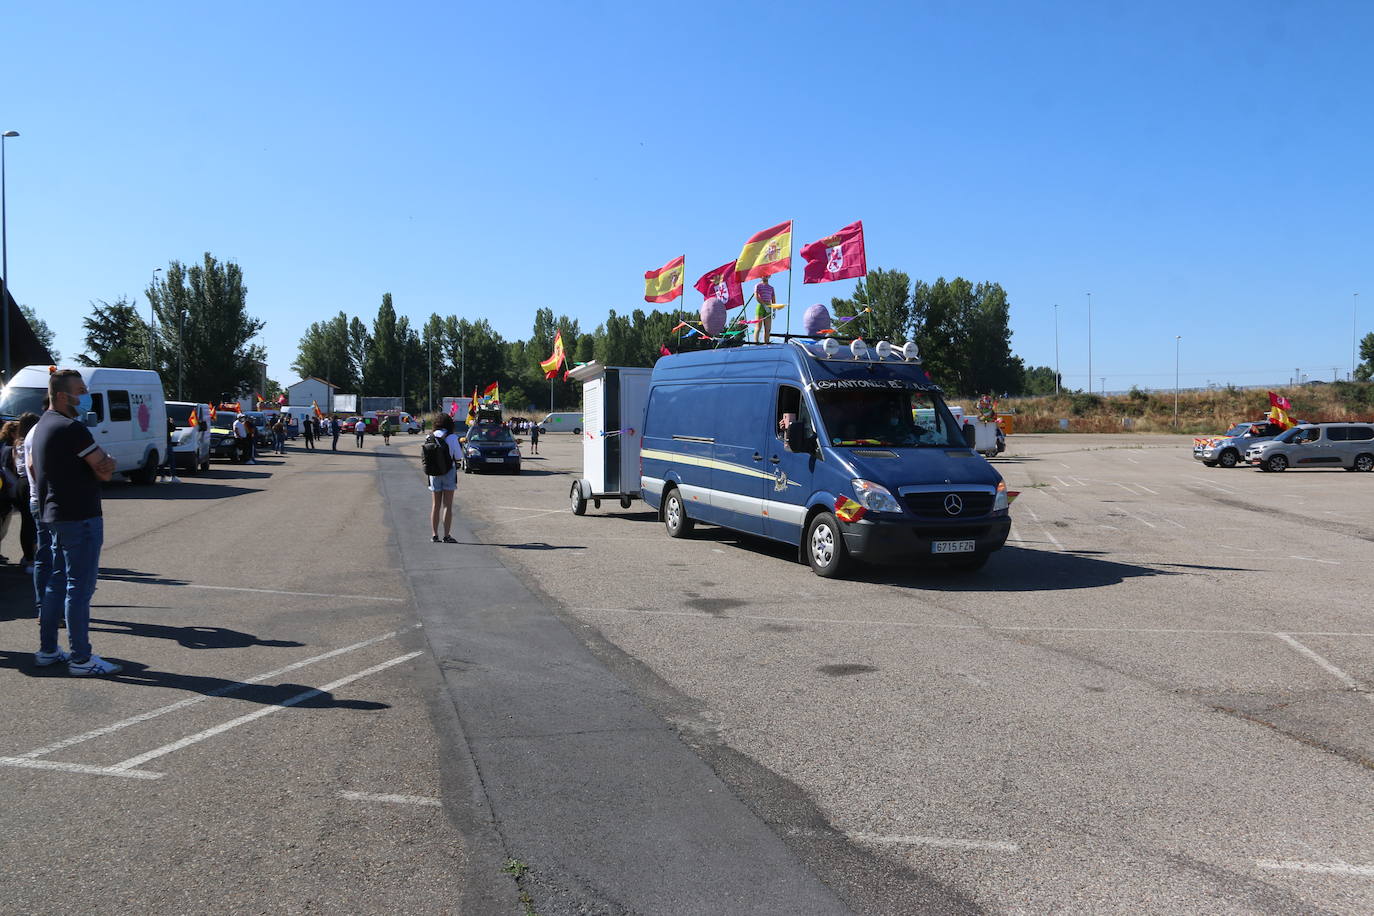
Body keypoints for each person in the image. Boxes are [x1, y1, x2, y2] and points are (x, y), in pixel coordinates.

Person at [31, 369, 122, 676]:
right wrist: (106, 463)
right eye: (80, 391)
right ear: (61, 395)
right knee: (79, 588)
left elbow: (31, 466)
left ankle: (47, 650)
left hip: (55, 515)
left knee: (56, 584)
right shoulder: (72, 428)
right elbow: (105, 468)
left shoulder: (43, 424)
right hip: (80, 515)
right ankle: (81, 658)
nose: (85, 396)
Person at [12, 412, 40, 574]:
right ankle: (30, 559)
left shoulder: (18, 442)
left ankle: (27, 557)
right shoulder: (32, 441)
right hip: (29, 483)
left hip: (20, 482)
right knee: (32, 524)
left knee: (26, 523)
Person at [427, 413, 462, 543]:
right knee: (447, 505)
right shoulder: (452, 437)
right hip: (449, 471)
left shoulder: (430, 436)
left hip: (433, 472)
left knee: (435, 505)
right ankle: (446, 535)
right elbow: (458, 456)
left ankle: (434, 535)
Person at [753, 278, 776, 342]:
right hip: (761, 306)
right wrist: (764, 305)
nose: (765, 276)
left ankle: (766, 343)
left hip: (769, 306)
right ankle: (756, 342)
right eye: (763, 275)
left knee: (768, 328)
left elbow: (773, 299)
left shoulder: (771, 288)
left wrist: (774, 310)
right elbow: (756, 296)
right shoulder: (758, 285)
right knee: (758, 327)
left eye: (767, 275)